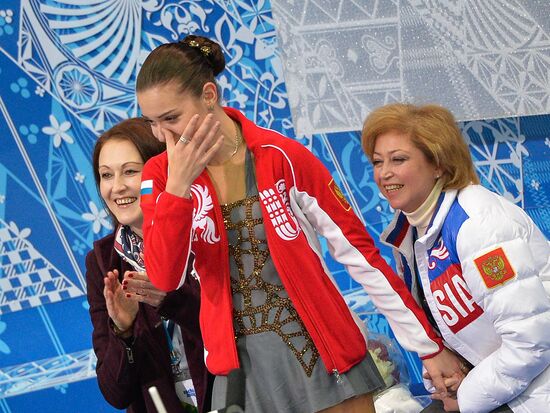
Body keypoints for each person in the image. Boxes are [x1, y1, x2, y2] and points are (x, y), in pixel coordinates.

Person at [135, 35, 464, 413]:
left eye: (171, 119)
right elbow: (165, 278)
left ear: (209, 95)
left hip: (324, 356)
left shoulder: (283, 157)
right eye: (152, 123)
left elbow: (360, 255)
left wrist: (427, 346)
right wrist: (177, 189)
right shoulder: (159, 176)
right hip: (241, 374)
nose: (162, 135)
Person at [361, 102, 550, 413]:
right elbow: (446, 326)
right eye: (377, 162)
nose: (384, 173)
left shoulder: (478, 225)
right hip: (496, 385)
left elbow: (531, 343)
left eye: (398, 159)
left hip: (534, 391)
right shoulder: (410, 233)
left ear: (438, 164)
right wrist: (448, 378)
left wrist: (466, 395)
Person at [85, 118, 212, 413]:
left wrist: (173, 300)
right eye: (106, 175)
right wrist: (123, 331)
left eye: (130, 171)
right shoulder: (103, 262)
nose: (116, 187)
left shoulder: (205, 231)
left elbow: (243, 333)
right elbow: (115, 393)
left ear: (161, 170)